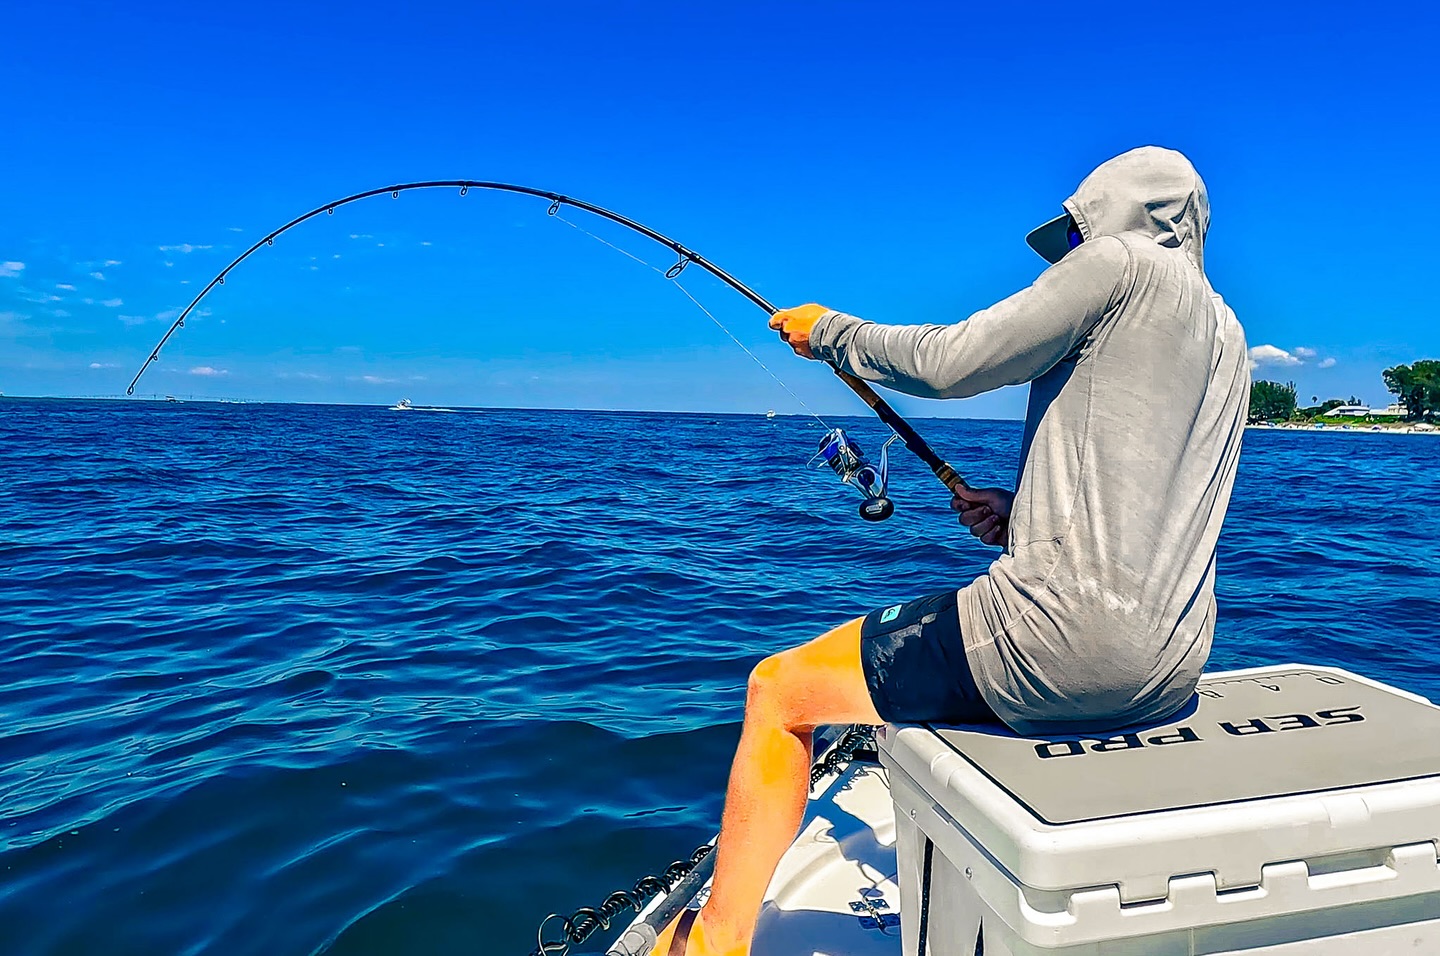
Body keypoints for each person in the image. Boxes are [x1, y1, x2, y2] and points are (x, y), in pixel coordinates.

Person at [651, 146, 1250, 956]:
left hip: (1061, 644)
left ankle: (711, 944)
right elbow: (1156, 497)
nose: (1070, 256)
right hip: (1173, 665)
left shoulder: (1119, 262)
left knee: (778, 690)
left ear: (1120, 215)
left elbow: (955, 362)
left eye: (1076, 235)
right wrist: (1021, 514)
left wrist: (832, 332)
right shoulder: (1225, 331)